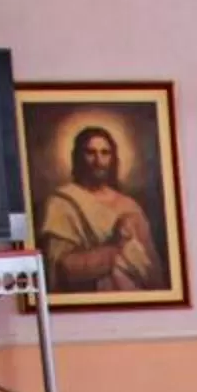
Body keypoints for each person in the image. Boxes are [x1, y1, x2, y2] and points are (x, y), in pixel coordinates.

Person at [38, 124, 162, 294]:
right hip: (87, 301)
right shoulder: (62, 203)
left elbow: (152, 269)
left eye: (105, 153)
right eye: (90, 153)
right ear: (78, 157)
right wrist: (114, 247)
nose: (98, 161)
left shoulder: (130, 205)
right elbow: (60, 268)